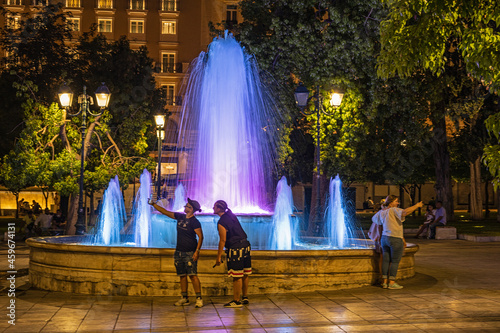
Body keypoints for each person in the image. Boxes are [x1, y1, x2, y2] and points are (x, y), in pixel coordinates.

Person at [149, 197, 204, 308]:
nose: (184, 207)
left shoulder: (195, 222)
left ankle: (199, 298)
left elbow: (201, 236)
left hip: (190, 252)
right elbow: (165, 212)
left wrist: (197, 251)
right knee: (182, 275)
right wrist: (153, 205)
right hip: (179, 251)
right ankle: (184, 298)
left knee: (193, 275)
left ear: (191, 209)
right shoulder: (180, 217)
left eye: (187, 206)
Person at [372, 195, 424, 290]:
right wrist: (417, 206)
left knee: (386, 260)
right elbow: (405, 212)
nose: (398, 203)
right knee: (395, 261)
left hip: (384, 238)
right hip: (395, 238)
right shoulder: (393, 210)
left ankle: (384, 282)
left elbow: (375, 220)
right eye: (396, 201)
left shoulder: (381, 212)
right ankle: (391, 283)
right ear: (391, 203)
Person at [213, 200, 252, 308]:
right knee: (245, 273)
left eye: (214, 206)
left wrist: (218, 256)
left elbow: (222, 240)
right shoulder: (231, 215)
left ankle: (236, 301)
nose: (213, 208)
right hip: (245, 246)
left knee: (237, 275)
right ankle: (244, 297)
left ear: (219, 209)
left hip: (236, 249)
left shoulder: (222, 222)